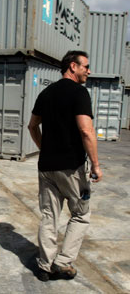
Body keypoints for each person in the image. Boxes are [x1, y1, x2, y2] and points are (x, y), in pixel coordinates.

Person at [28, 50, 103, 282]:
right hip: (71, 167)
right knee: (81, 215)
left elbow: (32, 126)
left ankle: (45, 265)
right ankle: (62, 262)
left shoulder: (46, 93)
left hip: (46, 166)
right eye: (85, 67)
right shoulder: (79, 93)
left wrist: (45, 149)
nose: (88, 71)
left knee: (49, 215)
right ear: (73, 66)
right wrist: (96, 165)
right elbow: (86, 130)